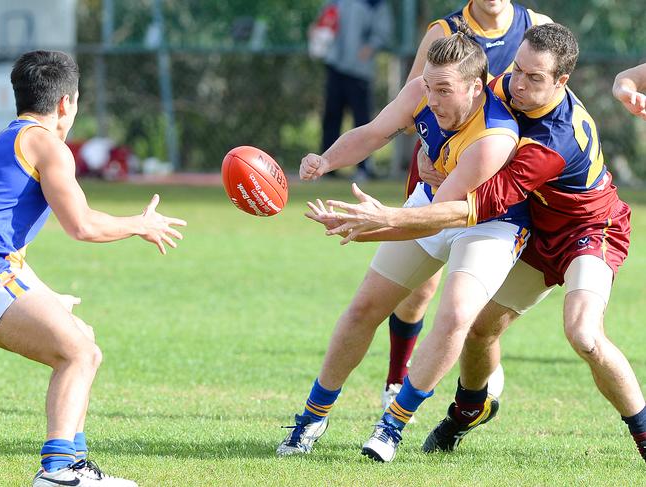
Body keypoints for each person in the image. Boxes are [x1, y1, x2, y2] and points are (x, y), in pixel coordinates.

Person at [311, 23, 646, 463]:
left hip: (587, 231)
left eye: (534, 78)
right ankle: (470, 408)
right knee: (477, 327)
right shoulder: (507, 86)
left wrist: (386, 219)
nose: (518, 84)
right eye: (518, 70)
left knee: (583, 333)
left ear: (562, 82)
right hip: (535, 228)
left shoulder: (553, 142)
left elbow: (474, 206)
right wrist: (438, 155)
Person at [277, 29, 531, 462]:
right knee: (364, 307)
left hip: (489, 224)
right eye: (429, 86)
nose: (431, 99)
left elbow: (434, 220)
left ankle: (391, 426)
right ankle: (311, 418)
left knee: (454, 317)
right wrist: (327, 160)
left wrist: (366, 224)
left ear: (475, 87)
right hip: (434, 202)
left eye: (444, 90)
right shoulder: (422, 90)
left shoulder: (495, 136)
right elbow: (374, 133)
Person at [0, 50, 186, 486]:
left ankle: (75, 465)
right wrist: (140, 224)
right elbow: (81, 225)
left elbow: (5, 245)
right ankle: (58, 470)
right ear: (67, 102)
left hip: (4, 275)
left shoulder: (6, 141)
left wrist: (40, 295)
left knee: (85, 341)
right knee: (77, 354)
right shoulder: (49, 146)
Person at [381, 0, 551, 412]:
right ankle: (394, 380)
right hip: (442, 162)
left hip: (504, 174)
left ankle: (478, 373)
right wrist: (425, 149)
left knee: (471, 298)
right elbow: (415, 103)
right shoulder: (445, 29)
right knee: (415, 289)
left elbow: (553, 105)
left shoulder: (538, 28)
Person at [315, 0, 393, 181]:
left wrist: (370, 46)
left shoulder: (376, 3)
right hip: (335, 66)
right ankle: (326, 167)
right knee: (331, 116)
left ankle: (364, 168)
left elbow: (383, 32)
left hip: (360, 70)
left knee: (362, 119)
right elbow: (325, 21)